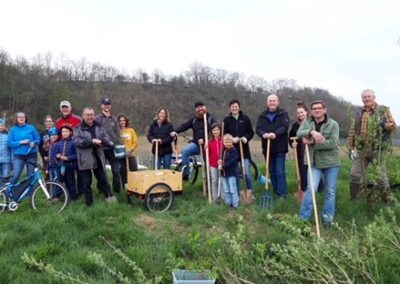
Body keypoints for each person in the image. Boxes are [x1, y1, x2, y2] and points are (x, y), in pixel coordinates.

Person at [347, 89, 396, 203]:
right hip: (361, 149)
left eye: (369, 96)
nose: (367, 99)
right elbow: (353, 130)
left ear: (374, 97)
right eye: (364, 97)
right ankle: (354, 200)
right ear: (362, 99)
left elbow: (393, 125)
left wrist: (385, 125)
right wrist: (351, 146)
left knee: (380, 177)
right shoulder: (358, 112)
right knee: (355, 175)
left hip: (377, 148)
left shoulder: (383, 110)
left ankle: (387, 201)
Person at [297, 100, 340, 225]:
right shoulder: (306, 123)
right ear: (311, 111)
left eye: (319, 108)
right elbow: (299, 133)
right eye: (314, 108)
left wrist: (313, 143)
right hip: (314, 162)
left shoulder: (333, 124)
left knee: (330, 191)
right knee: (311, 189)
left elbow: (333, 143)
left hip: (331, 163)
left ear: (324, 109)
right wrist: (311, 132)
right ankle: (303, 219)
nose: (316, 110)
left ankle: (327, 220)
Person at [73, 107, 116, 206]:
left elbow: (106, 138)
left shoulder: (99, 126)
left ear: (94, 115)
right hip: (84, 158)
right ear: (83, 116)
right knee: (87, 183)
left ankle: (109, 198)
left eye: (91, 114)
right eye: (87, 115)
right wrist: (91, 141)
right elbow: (76, 141)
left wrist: (104, 142)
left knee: (103, 179)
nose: (90, 117)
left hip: (98, 156)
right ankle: (90, 204)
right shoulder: (78, 128)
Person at [170, 101, 216, 180]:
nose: (200, 109)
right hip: (196, 145)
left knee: (208, 165)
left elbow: (216, 132)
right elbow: (184, 126)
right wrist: (175, 131)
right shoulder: (194, 120)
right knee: (185, 151)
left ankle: (209, 183)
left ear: (205, 107)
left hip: (208, 146)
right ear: (196, 110)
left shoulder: (210, 119)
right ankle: (186, 173)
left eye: (201, 106)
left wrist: (206, 141)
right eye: (198, 107)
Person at [256, 94, 289, 198]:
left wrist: (275, 133)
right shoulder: (262, 115)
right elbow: (258, 129)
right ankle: (276, 192)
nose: (272, 103)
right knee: (272, 171)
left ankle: (282, 194)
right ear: (267, 102)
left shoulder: (283, 114)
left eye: (274, 101)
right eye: (270, 101)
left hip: (280, 147)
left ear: (277, 102)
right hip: (267, 148)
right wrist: (263, 134)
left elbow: (284, 127)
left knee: (280, 171)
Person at [289, 102, 324, 199]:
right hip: (300, 152)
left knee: (314, 171)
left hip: (312, 151)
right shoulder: (295, 126)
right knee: (303, 172)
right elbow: (291, 137)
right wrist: (292, 144)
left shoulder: (312, 123)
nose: (300, 114)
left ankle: (320, 190)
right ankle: (304, 192)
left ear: (306, 112)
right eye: (298, 113)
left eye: (302, 112)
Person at [223, 99, 255, 198]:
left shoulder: (245, 118)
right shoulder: (227, 120)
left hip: (244, 150)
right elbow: (224, 134)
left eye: (236, 106)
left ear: (239, 107)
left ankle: (250, 193)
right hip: (232, 151)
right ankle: (237, 194)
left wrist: (247, 138)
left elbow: (251, 132)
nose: (234, 108)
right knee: (235, 173)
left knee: (247, 173)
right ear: (230, 108)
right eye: (232, 107)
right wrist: (232, 139)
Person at [95, 97, 122, 194]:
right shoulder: (97, 119)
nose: (106, 106)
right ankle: (102, 189)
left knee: (116, 171)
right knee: (101, 171)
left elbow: (117, 134)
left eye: (108, 104)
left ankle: (117, 191)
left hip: (113, 149)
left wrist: (119, 147)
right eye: (105, 104)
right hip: (101, 149)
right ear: (102, 106)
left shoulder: (114, 119)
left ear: (110, 106)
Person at [8, 112, 40, 184]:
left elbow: (38, 139)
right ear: (16, 119)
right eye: (19, 117)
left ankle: (30, 194)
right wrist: (20, 142)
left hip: (31, 154)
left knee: (31, 176)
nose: (21, 118)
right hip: (19, 156)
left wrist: (34, 143)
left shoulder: (31, 127)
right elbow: (10, 143)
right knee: (16, 175)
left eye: (23, 117)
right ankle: (10, 193)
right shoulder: (13, 129)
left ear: (26, 118)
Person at [55, 125, 79, 200]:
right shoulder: (59, 143)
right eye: (63, 131)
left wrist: (68, 158)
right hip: (61, 165)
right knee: (59, 181)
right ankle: (56, 197)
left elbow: (76, 155)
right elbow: (56, 153)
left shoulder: (73, 142)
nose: (64, 133)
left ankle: (73, 197)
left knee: (70, 182)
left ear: (70, 132)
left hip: (70, 166)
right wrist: (58, 155)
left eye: (66, 131)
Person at [218, 134, 240, 209]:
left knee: (232, 189)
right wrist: (220, 162)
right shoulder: (223, 151)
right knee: (226, 190)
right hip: (223, 174)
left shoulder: (234, 151)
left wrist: (223, 166)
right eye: (226, 142)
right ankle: (229, 203)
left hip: (231, 174)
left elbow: (232, 161)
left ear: (232, 142)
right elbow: (221, 160)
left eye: (229, 142)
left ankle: (235, 204)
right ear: (223, 142)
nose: (227, 143)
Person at [118, 114, 138, 189]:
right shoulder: (118, 132)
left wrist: (130, 150)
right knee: (123, 172)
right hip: (121, 155)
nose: (122, 122)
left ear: (126, 121)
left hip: (130, 154)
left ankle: (135, 186)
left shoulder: (131, 131)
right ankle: (125, 188)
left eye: (123, 120)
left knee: (134, 171)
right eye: (120, 121)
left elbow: (135, 142)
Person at [205, 123, 224, 202]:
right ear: (211, 132)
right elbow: (208, 154)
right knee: (214, 180)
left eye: (217, 130)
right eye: (214, 130)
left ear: (220, 131)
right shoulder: (209, 142)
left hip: (222, 164)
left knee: (222, 180)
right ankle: (214, 198)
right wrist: (205, 148)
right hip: (213, 164)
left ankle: (223, 198)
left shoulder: (223, 141)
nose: (216, 132)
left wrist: (223, 161)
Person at [39, 115, 55, 179]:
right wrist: (44, 156)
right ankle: (47, 188)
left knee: (55, 174)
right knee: (47, 174)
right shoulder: (42, 133)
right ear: (45, 123)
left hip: (55, 156)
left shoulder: (56, 131)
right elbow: (40, 146)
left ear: (53, 122)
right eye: (47, 121)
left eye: (50, 121)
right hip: (46, 156)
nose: (48, 122)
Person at [0, 119, 11, 187]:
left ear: (4, 127)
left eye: (2, 126)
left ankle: (6, 193)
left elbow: (11, 149)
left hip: (6, 160)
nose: (0, 127)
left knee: (6, 177)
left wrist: (12, 160)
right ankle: (1, 194)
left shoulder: (8, 136)